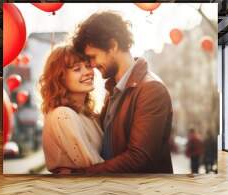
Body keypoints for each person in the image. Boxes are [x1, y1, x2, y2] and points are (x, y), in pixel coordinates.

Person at [72, 11, 173, 173]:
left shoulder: (151, 89)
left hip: (142, 194)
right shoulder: (114, 89)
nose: (91, 65)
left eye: (93, 57)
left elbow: (138, 158)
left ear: (112, 46)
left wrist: (84, 174)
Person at [40, 45, 104, 174]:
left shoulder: (86, 115)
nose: (87, 72)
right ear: (60, 77)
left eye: (88, 66)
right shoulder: (63, 114)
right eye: (77, 69)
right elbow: (94, 167)